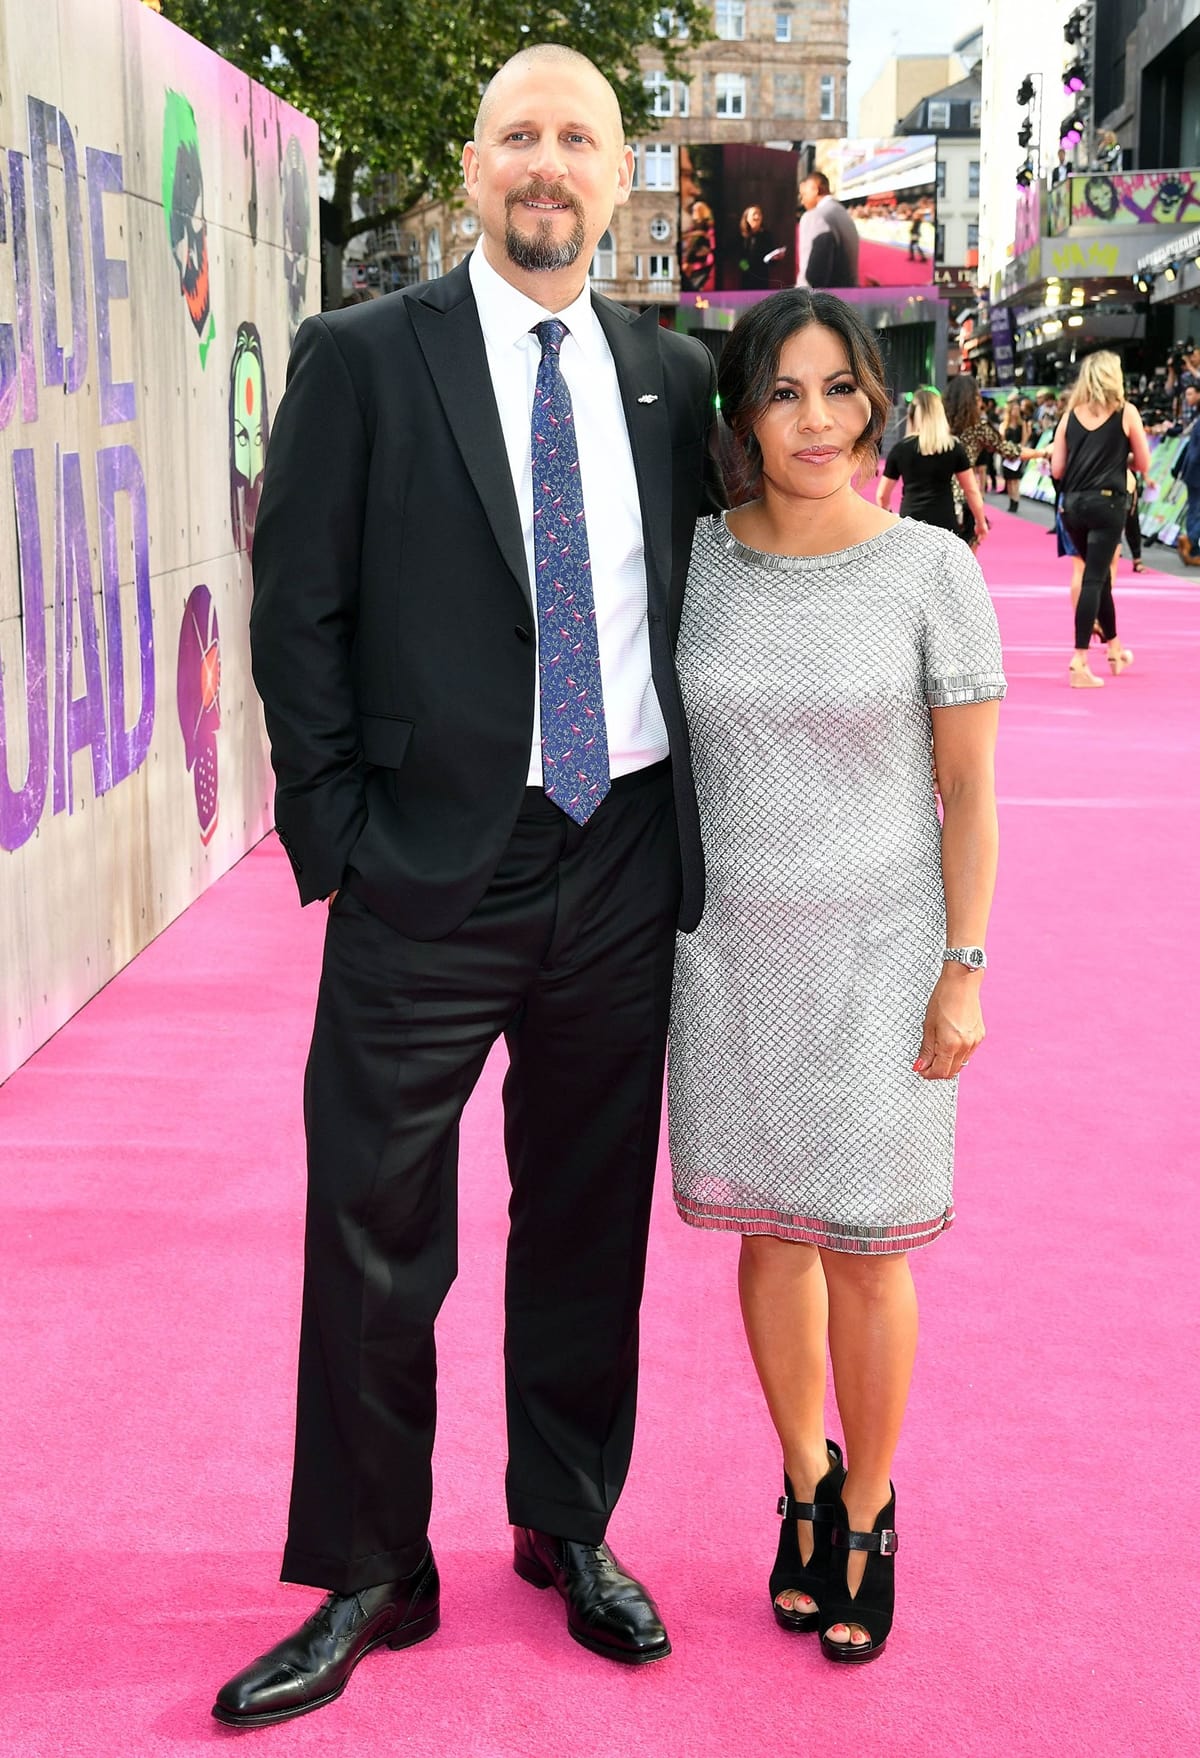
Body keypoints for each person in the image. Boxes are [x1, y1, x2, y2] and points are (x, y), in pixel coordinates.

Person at [212, 44, 719, 1729]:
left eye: (581, 136)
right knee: (372, 1226)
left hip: (622, 850)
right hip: (428, 867)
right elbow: (299, 612)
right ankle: (371, 1564)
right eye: (521, 136)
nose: (549, 164)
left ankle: (565, 1522)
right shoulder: (365, 358)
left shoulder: (676, 376)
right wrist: (339, 833)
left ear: (623, 172)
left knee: (584, 1216)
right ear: (474, 159)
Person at [669, 288, 1005, 1666]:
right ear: (744, 411)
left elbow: (970, 790)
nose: (818, 419)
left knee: (867, 1245)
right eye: (786, 391)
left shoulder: (933, 567)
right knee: (770, 1232)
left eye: (842, 389)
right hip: (728, 951)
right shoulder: (692, 557)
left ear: (879, 399)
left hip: (884, 951)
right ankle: (800, 1472)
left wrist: (963, 968)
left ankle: (865, 1504)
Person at [1051, 349, 1150, 687]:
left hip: (1072, 506)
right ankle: (1079, 660)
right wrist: (1123, 458)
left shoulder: (1070, 416)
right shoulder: (1126, 413)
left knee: (1098, 577)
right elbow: (1144, 464)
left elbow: (1057, 468)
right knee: (1096, 577)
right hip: (1107, 503)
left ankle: (1115, 648)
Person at [876, 388, 986, 540]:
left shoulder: (900, 449)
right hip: (945, 525)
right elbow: (971, 491)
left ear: (912, 416)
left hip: (910, 525)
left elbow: (882, 496)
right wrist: (981, 523)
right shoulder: (954, 448)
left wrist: (888, 515)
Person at [944, 373, 1025, 548]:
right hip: (963, 497)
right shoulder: (978, 427)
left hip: (934, 497)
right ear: (973, 398)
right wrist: (1042, 452)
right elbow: (1008, 450)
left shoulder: (939, 426)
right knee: (965, 563)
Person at [798, 171, 860, 290]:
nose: (802, 201)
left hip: (824, 303)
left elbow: (812, 278)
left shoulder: (814, 216)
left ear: (816, 190)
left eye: (803, 194)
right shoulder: (844, 213)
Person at [1169, 380, 1200, 564]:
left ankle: (1193, 549)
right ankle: (1191, 539)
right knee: (1196, 510)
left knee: (1194, 509)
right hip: (1196, 472)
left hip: (1192, 471)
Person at [737, 204, 779, 290]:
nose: (757, 216)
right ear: (747, 218)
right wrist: (746, 269)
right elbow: (737, 257)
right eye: (754, 214)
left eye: (759, 214)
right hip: (746, 279)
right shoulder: (741, 237)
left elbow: (771, 257)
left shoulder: (767, 235)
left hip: (762, 278)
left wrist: (775, 258)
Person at [1000, 395, 1030, 512]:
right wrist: (1006, 451)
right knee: (1009, 479)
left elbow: (1024, 438)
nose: (1015, 412)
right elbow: (1001, 440)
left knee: (1016, 479)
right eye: (1014, 410)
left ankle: (1016, 500)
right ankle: (1011, 499)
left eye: (1018, 410)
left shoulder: (1022, 424)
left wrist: (1018, 451)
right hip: (1007, 454)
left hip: (1017, 453)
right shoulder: (1004, 425)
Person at [679, 198, 716, 293]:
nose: (695, 211)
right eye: (694, 210)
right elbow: (684, 236)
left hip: (702, 255)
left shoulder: (708, 224)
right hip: (691, 253)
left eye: (697, 209)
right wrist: (698, 233)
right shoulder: (693, 226)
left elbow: (710, 238)